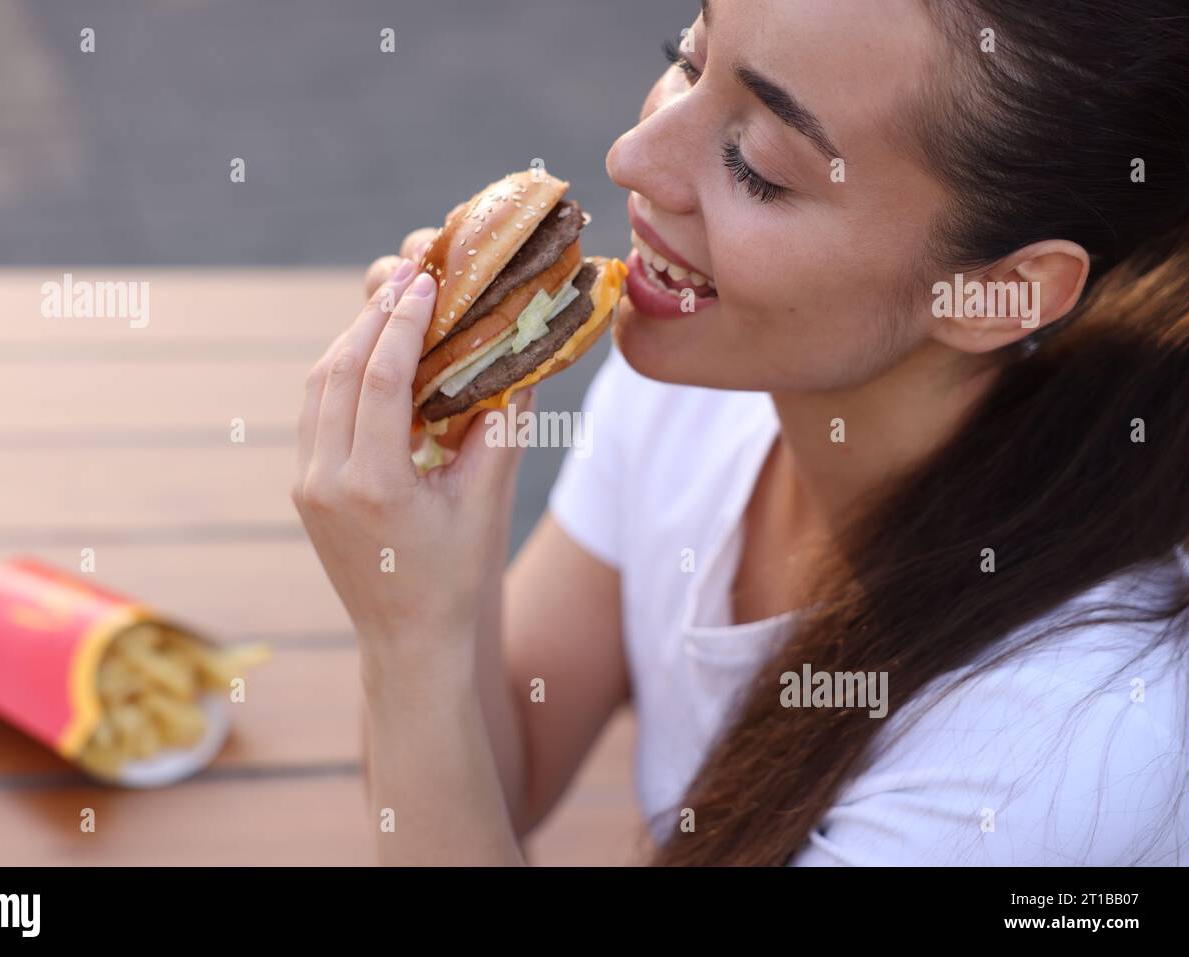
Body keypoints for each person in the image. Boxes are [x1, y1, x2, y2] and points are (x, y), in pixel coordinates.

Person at [293, 0, 1189, 865]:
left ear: (1005, 289)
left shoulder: (1062, 767)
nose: (632, 157)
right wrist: (436, 536)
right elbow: (500, 765)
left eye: (758, 164)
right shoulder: (702, 379)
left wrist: (411, 643)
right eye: (687, 58)